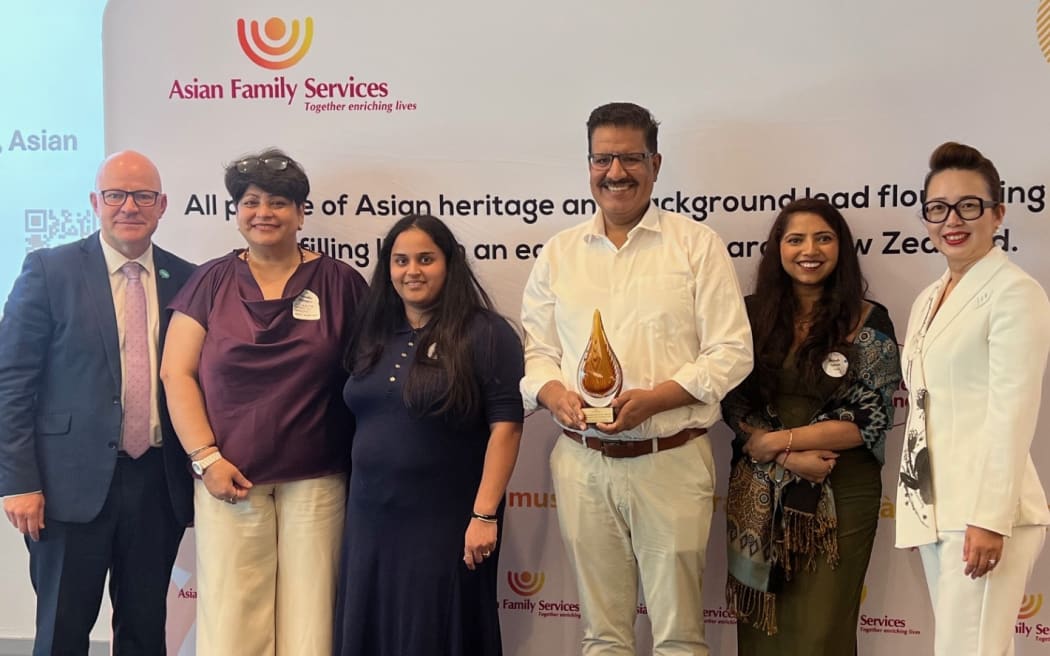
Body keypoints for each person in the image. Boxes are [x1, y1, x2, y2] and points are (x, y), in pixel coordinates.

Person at [519, 102, 753, 656]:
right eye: (603, 159)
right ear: (589, 164)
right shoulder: (560, 253)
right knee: (602, 636)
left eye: (630, 158)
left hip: (669, 457)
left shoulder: (696, 245)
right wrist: (553, 394)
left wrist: (656, 399)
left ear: (656, 162)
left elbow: (732, 351)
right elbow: (538, 352)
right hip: (582, 460)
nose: (615, 172)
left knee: (677, 636)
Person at [159, 149, 366, 656]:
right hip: (228, 477)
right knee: (232, 619)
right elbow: (175, 372)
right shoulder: (209, 281)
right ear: (236, 212)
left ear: (300, 213)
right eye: (250, 201)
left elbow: (370, 374)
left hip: (317, 478)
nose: (263, 212)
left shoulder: (342, 284)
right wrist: (206, 459)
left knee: (313, 620)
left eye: (278, 201)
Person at [0, 151, 194, 654]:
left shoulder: (189, 279)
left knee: (146, 630)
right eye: (116, 194)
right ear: (95, 201)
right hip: (66, 489)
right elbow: (12, 381)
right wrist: (19, 481)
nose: (129, 206)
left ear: (162, 205)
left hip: (156, 484)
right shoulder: (49, 269)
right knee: (62, 632)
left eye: (143, 196)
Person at [334, 214, 524, 656]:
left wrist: (484, 516)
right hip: (369, 520)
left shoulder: (486, 333)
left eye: (425, 259)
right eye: (400, 260)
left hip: (447, 524)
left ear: (450, 264)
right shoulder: (371, 332)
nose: (411, 271)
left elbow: (508, 428)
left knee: (437, 633)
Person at [720, 198, 901, 654]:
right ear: (777, 248)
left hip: (841, 489)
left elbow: (869, 417)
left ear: (841, 247)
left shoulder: (868, 319)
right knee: (762, 627)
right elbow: (731, 399)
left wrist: (778, 442)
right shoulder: (747, 314)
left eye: (823, 237)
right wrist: (784, 454)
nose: (810, 249)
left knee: (824, 630)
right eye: (795, 238)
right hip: (760, 490)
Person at [895, 142, 1050, 655]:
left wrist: (989, 517)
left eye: (969, 205)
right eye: (937, 208)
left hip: (985, 514)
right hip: (937, 506)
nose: (952, 220)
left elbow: (1013, 412)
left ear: (998, 213)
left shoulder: (1015, 292)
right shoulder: (928, 297)